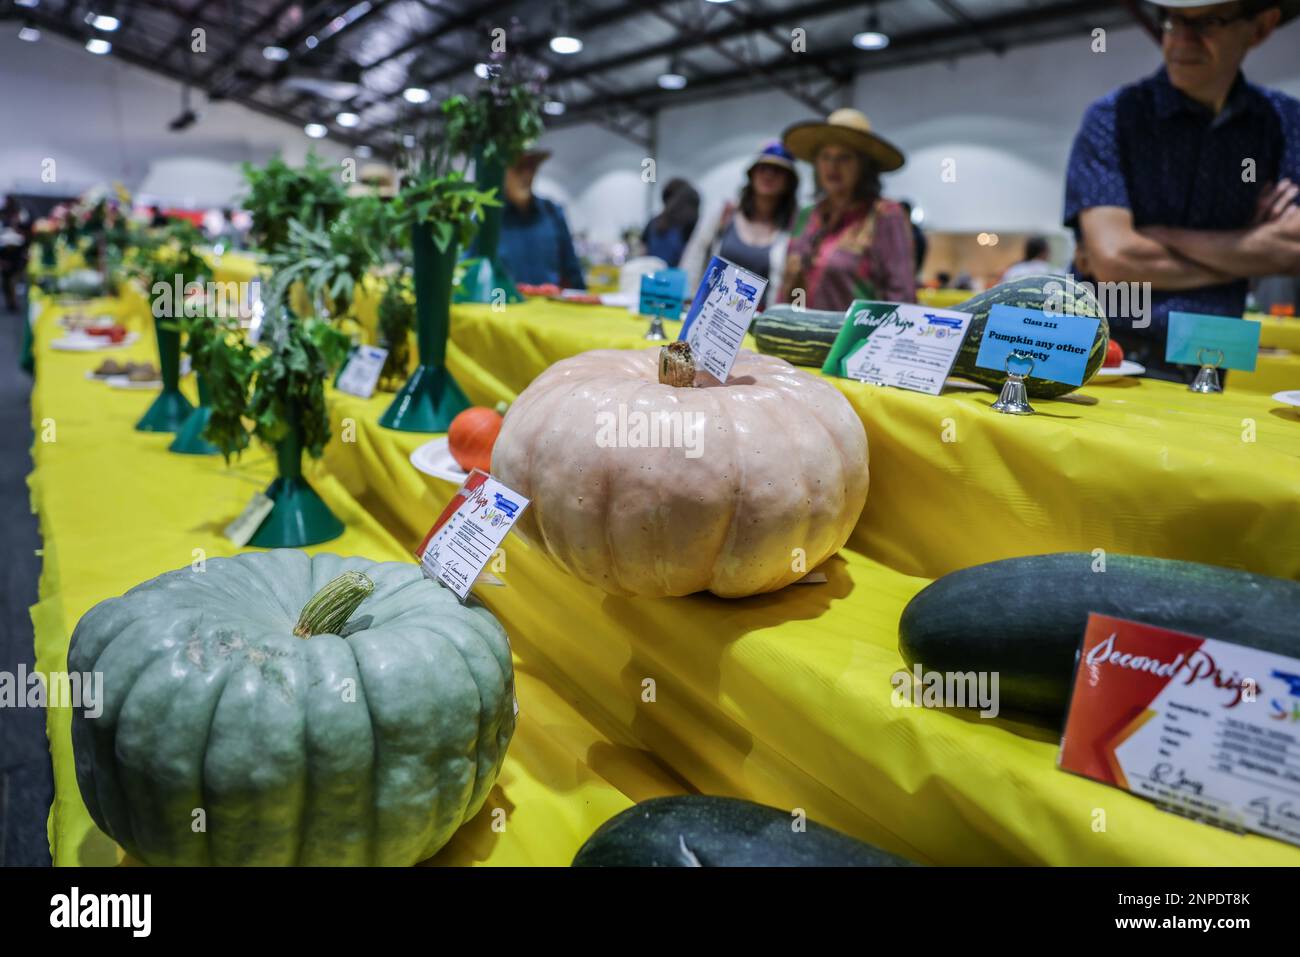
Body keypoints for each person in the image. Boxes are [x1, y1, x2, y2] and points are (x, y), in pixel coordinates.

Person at [1064, 0, 1300, 381]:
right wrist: (1252, 248)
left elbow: (1293, 250)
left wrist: (1161, 237)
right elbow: (1114, 262)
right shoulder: (1114, 117)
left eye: (1208, 22)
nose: (1180, 41)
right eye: (1172, 21)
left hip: (1213, 359)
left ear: (1260, 28)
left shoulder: (1284, 124)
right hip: (1106, 356)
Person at [777, 108, 916, 311]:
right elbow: (786, 284)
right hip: (798, 335)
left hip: (856, 340)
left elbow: (901, 295)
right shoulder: (806, 215)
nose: (832, 166)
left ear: (864, 166)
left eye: (845, 158)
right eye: (825, 157)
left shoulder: (885, 215)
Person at [681, 142, 800, 305]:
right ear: (752, 174)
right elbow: (695, 254)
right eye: (763, 168)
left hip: (758, 322)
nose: (769, 175)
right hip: (709, 313)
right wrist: (688, 297)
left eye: (778, 171)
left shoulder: (793, 227)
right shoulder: (724, 213)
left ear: (789, 181)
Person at [498, 148, 586, 289]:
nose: (527, 175)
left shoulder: (553, 212)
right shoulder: (490, 217)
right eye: (519, 168)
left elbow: (571, 267)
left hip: (548, 307)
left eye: (531, 168)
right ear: (504, 172)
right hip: (503, 305)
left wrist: (582, 299)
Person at [641, 178, 700, 269]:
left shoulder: (654, 222)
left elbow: (643, 251)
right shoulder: (689, 225)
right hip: (675, 278)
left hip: (650, 275)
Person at [0, 195, 32, 312]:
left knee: (13, 279)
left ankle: (14, 302)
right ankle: (11, 302)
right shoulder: (4, 214)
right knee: (6, 280)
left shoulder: (21, 214)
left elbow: (26, 233)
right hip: (5, 250)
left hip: (16, 253)